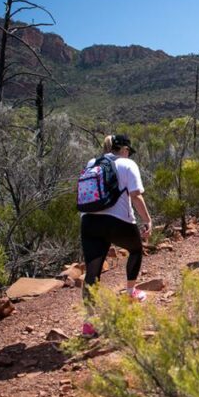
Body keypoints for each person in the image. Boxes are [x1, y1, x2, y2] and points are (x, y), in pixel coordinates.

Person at [80, 134, 152, 338]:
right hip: (117, 221)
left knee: (92, 273)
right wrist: (147, 220)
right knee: (136, 250)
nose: (129, 153)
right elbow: (136, 195)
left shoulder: (92, 162)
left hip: (89, 221)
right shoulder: (128, 164)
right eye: (129, 150)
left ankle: (89, 323)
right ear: (124, 149)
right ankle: (130, 293)